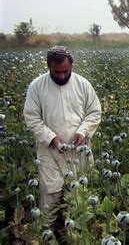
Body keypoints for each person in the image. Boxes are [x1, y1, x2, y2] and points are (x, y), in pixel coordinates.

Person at [23, 46, 101, 234]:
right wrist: (51, 138)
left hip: (78, 150)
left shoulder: (82, 84)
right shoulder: (37, 86)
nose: (61, 76)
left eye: (65, 71)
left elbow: (94, 112)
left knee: (79, 196)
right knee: (52, 195)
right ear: (48, 66)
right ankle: (47, 234)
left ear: (71, 66)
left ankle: (77, 235)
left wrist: (83, 132)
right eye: (56, 72)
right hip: (50, 151)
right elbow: (31, 118)